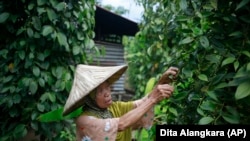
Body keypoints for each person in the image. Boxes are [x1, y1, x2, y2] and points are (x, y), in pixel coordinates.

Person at [62, 64, 179, 141]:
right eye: (100, 91)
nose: (107, 93)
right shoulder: (84, 120)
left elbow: (143, 103)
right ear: (89, 99)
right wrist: (153, 98)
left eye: (107, 87)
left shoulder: (115, 107)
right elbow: (122, 124)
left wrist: (160, 83)